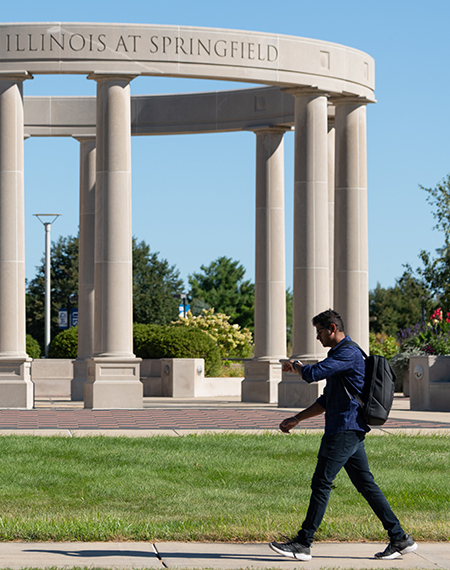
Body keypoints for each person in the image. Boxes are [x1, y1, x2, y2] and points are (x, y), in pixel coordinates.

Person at [269, 309, 417, 562]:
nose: (318, 337)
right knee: (366, 486)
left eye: (319, 332)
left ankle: (303, 543)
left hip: (344, 430)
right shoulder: (340, 355)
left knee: (321, 483)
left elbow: (312, 374)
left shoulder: (348, 353)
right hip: (348, 429)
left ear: (333, 328)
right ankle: (400, 538)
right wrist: (297, 419)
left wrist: (296, 365)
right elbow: (327, 400)